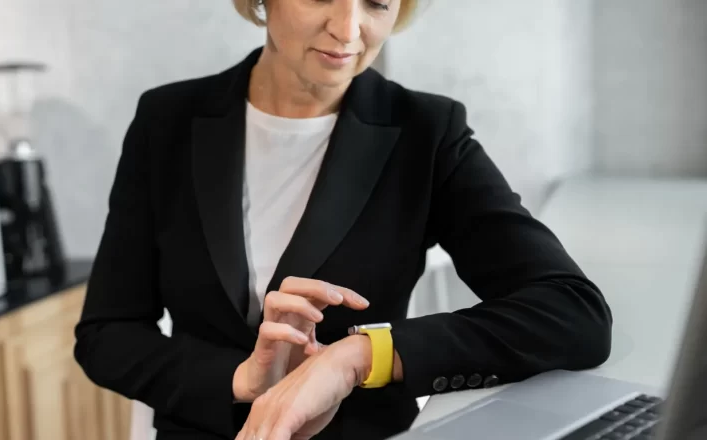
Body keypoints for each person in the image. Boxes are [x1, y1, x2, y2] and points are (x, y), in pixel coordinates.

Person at [73, 0, 614, 439]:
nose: (348, 29)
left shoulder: (427, 132)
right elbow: (107, 334)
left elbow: (572, 313)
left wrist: (358, 357)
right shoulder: (166, 121)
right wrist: (239, 380)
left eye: (377, 2)